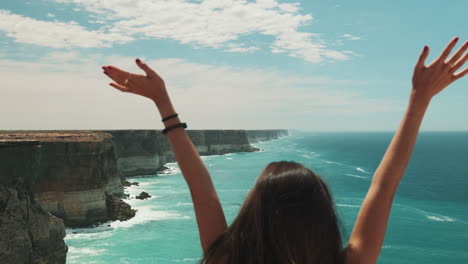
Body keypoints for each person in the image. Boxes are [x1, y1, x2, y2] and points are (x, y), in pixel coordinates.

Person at [102, 37, 467, 264]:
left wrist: (164, 104)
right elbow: (383, 187)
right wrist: (419, 101)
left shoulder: (225, 258)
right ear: (321, 216)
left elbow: (203, 192)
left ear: (255, 211)